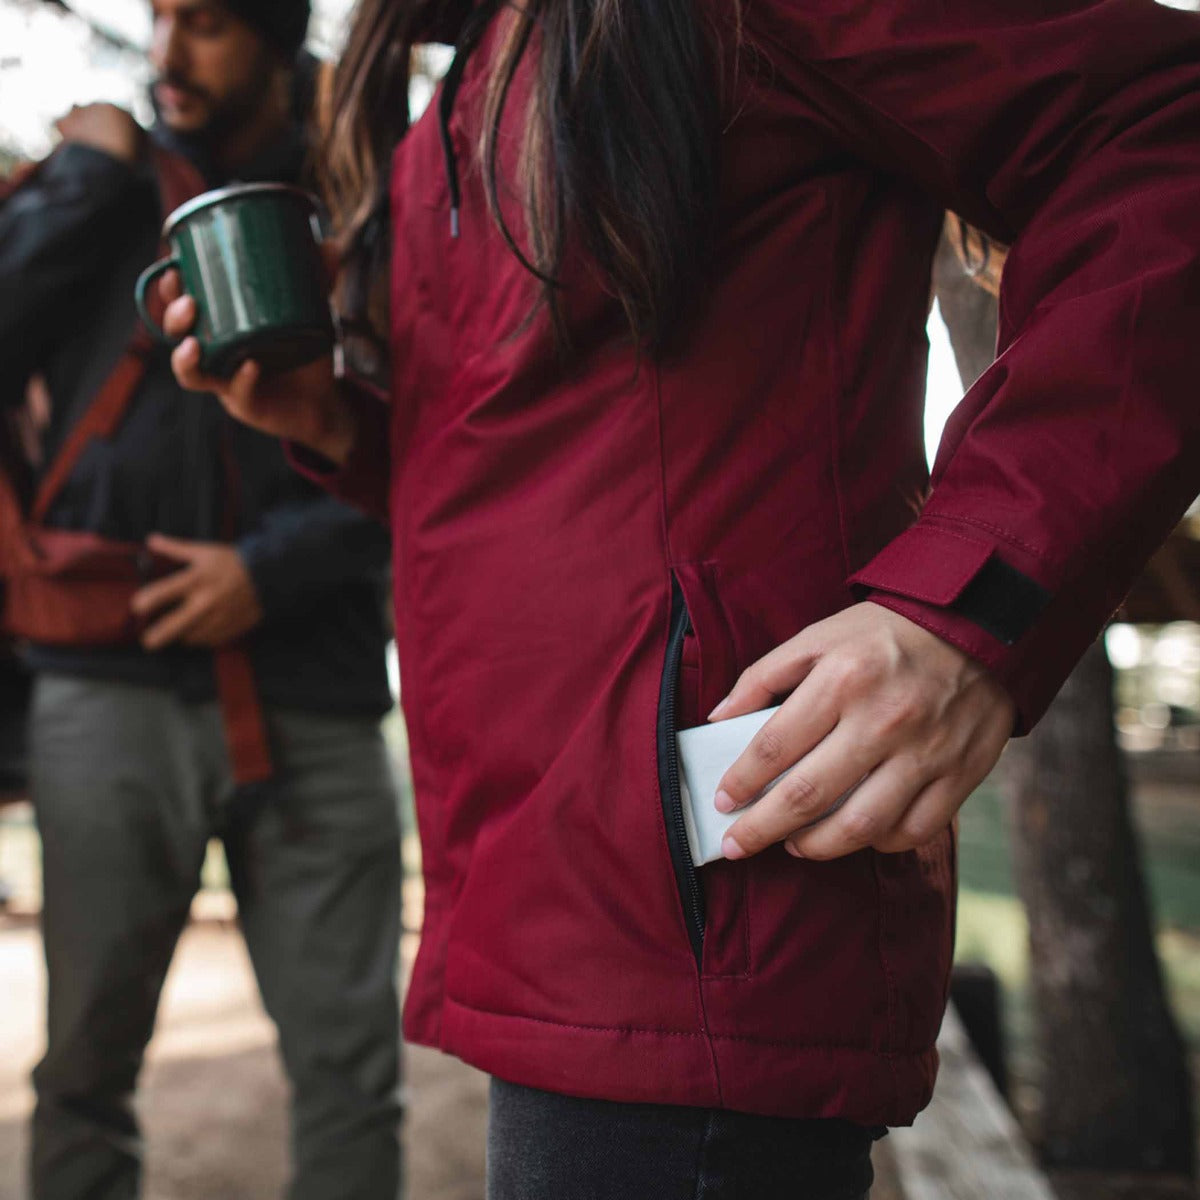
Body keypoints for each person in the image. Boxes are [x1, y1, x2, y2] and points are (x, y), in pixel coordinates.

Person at [164, 0, 1200, 1195]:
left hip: (705, 898)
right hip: (535, 895)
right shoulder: (450, 95)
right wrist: (333, 422)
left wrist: (970, 602)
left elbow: (1167, 130)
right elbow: (535, 463)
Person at [0, 2, 404, 1198]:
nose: (170, 56)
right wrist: (81, 173)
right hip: (103, 689)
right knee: (80, 1070)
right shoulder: (99, 193)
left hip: (315, 696)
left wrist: (268, 571)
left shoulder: (378, 186)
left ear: (280, 41)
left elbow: (456, 431)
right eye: (161, 17)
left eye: (212, 23)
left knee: (350, 1074)